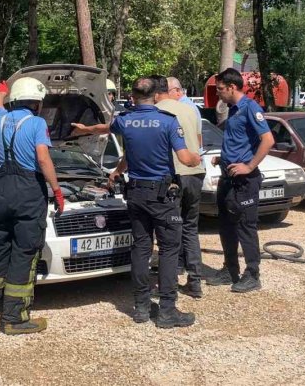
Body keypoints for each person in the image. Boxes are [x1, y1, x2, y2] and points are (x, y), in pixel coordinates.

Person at [72, 77, 201, 328]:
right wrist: (196, 158)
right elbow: (186, 158)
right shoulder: (167, 121)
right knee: (169, 249)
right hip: (162, 196)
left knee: (141, 247)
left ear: (133, 96)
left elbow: (103, 128)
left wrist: (84, 129)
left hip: (136, 194)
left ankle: (141, 307)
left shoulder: (126, 120)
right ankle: (167, 310)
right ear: (156, 96)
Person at [0, 78, 65, 335]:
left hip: (3, 191)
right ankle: (14, 318)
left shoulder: (2, 118)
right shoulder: (37, 123)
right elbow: (43, 158)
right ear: (36, 103)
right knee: (24, 253)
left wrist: (0, 91)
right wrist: (57, 191)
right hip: (28, 192)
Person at [208, 68, 275, 293]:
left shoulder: (250, 108)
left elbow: (268, 140)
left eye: (220, 89)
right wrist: (223, 158)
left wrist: (249, 166)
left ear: (232, 87)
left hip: (245, 182)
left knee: (246, 226)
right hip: (228, 178)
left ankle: (253, 274)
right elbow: (239, 141)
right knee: (226, 226)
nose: (218, 93)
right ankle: (230, 269)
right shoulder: (233, 110)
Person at [151, 76, 205, 299]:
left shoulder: (158, 111)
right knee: (190, 228)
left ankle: (169, 283)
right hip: (196, 172)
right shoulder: (191, 110)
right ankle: (195, 281)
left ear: (156, 93)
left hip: (174, 175)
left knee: (169, 232)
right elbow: (198, 142)